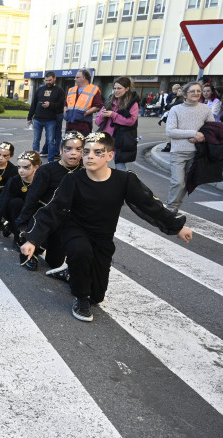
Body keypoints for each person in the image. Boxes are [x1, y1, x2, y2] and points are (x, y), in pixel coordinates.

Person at [21, 132, 193, 322]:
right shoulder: (73, 180)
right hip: (74, 229)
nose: (89, 156)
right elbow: (52, 209)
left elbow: (150, 205)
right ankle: (80, 297)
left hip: (103, 236)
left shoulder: (124, 180)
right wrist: (32, 239)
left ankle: (72, 272)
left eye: (97, 152)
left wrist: (176, 227)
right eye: (86, 152)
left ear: (110, 156)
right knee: (80, 253)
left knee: (97, 296)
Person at [16, 131, 85, 273]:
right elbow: (32, 197)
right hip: (43, 216)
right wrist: (23, 222)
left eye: (78, 150)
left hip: (66, 220)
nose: (73, 154)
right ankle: (33, 244)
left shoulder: (85, 171)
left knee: (54, 262)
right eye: (68, 149)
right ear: (61, 150)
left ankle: (44, 243)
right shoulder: (47, 170)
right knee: (28, 260)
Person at [165, 81, 215, 213]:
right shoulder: (176, 109)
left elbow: (212, 130)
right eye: (192, 91)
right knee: (178, 183)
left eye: (198, 91)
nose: (196, 93)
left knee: (186, 184)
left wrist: (202, 137)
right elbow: (170, 131)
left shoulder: (205, 109)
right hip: (178, 152)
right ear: (185, 94)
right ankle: (170, 209)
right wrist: (194, 133)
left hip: (197, 153)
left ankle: (173, 209)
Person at [0, 150, 42, 241]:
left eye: (26, 167)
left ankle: (10, 227)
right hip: (13, 211)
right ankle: (17, 238)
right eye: (19, 167)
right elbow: (2, 201)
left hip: (31, 213)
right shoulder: (14, 181)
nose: (21, 171)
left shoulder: (41, 182)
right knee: (17, 202)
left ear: (36, 167)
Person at [94, 77, 140, 171]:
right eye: (114, 88)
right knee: (98, 165)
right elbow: (97, 121)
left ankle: (123, 183)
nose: (116, 91)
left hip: (120, 140)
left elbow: (131, 121)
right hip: (105, 139)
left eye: (119, 88)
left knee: (120, 167)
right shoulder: (110, 100)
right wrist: (103, 116)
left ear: (127, 88)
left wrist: (113, 115)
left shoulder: (132, 103)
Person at [28, 72, 65, 162]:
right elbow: (34, 103)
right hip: (37, 119)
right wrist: (29, 117)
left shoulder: (59, 90)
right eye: (46, 80)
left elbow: (61, 106)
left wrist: (50, 105)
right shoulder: (40, 90)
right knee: (36, 140)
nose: (48, 82)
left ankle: (50, 160)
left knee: (50, 141)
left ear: (54, 79)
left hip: (50, 120)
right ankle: (35, 160)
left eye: (50, 80)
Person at [64, 68, 103, 136]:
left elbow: (98, 106)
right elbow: (66, 104)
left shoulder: (94, 90)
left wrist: (84, 114)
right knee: (68, 144)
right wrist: (67, 113)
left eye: (77, 77)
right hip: (70, 124)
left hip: (83, 125)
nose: (75, 79)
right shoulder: (71, 90)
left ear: (84, 78)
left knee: (82, 145)